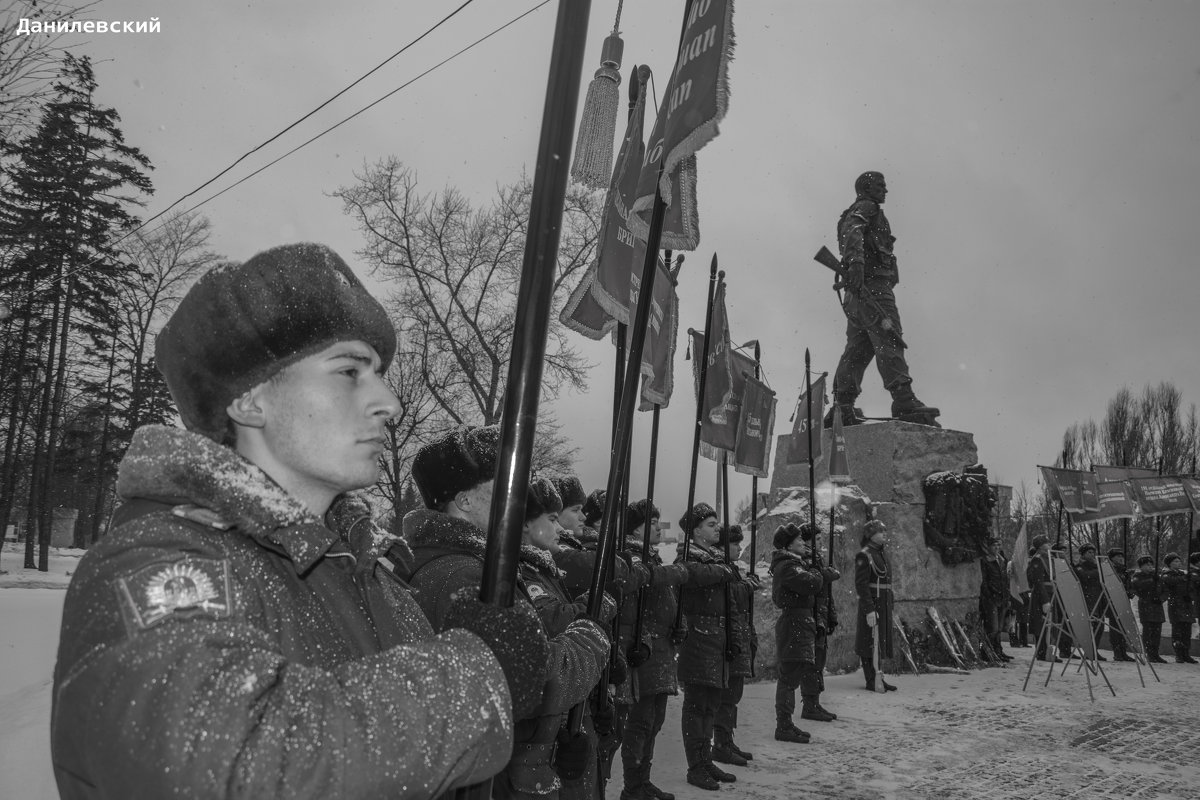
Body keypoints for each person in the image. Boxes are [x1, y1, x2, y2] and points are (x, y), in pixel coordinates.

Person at [50, 243, 540, 799]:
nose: (389, 402)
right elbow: (213, 768)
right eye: (351, 370)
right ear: (250, 401)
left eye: (378, 373)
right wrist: (476, 677)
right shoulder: (161, 558)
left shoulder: (372, 576)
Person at [406, 425, 612, 799]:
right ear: (465, 500)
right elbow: (537, 679)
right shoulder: (465, 574)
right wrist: (589, 636)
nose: (519, 499)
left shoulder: (465, 563)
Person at [827, 171, 939, 428]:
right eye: (880, 186)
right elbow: (853, 231)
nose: (885, 190)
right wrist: (856, 263)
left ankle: (843, 405)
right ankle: (903, 399)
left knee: (858, 348)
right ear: (867, 188)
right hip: (872, 289)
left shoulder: (858, 210)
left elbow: (854, 233)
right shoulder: (866, 208)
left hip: (858, 294)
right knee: (889, 338)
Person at [675, 503, 742, 791]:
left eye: (717, 524)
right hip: (699, 637)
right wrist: (724, 570)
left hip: (717, 637)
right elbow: (697, 575)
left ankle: (705, 759)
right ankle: (695, 765)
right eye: (711, 524)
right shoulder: (687, 555)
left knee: (711, 703)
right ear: (696, 530)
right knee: (696, 705)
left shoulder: (716, 559)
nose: (718, 529)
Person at [770, 522, 835, 744]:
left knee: (794, 674)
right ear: (788, 544)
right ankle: (784, 725)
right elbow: (811, 583)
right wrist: (820, 572)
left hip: (800, 621)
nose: (802, 543)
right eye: (798, 540)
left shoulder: (792, 563)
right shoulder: (788, 566)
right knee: (789, 677)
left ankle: (787, 723)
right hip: (794, 622)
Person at [712, 524, 761, 766]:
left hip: (739, 636)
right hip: (730, 638)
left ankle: (727, 740)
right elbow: (731, 597)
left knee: (734, 694)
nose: (740, 548)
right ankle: (720, 744)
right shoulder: (722, 571)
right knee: (726, 696)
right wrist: (747, 586)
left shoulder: (731, 569)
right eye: (735, 544)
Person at [855, 519, 897, 690]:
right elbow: (861, 585)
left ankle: (879, 676)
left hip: (883, 603)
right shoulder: (865, 555)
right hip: (873, 604)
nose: (884, 534)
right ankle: (871, 679)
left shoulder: (881, 553)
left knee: (880, 641)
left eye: (885, 531)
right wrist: (869, 609)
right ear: (871, 535)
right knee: (869, 642)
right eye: (881, 531)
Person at [978, 537, 1012, 661]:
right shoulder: (985, 560)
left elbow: (1006, 580)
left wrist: (1007, 596)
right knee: (992, 628)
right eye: (994, 545)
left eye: (999, 545)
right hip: (991, 599)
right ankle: (989, 652)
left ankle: (998, 651)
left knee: (999, 629)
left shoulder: (1003, 560)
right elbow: (984, 581)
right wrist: (989, 595)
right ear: (988, 547)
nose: (997, 547)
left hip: (1002, 597)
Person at [1129, 555, 1167, 663]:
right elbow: (1139, 586)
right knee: (1148, 632)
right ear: (1141, 566)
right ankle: (1149, 653)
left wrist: (1160, 599)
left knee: (1157, 632)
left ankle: (1155, 653)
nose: (1150, 567)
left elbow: (1165, 590)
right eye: (1147, 565)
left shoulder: (1157, 577)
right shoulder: (1137, 576)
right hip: (1146, 606)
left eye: (1151, 564)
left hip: (1157, 607)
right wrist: (1151, 581)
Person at [1160, 553, 1197, 664]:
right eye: (1175, 561)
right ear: (1169, 564)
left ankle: (1186, 653)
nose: (1178, 563)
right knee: (1178, 631)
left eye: (1179, 561)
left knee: (1187, 631)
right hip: (1175, 604)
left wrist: (1190, 596)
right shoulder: (1167, 574)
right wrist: (1185, 577)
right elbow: (1171, 581)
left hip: (1186, 605)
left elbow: (1192, 587)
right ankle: (1178, 654)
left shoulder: (1184, 574)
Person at [1073, 544, 1107, 661]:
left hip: (1099, 599)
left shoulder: (1097, 566)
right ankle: (1088, 650)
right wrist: (1098, 571)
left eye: (1093, 552)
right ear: (1083, 554)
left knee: (1099, 626)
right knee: (1090, 626)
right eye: (1089, 553)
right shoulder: (1079, 566)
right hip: (1087, 599)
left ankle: (1094, 650)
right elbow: (1085, 576)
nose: (1092, 555)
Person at [1026, 535, 1058, 662]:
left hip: (1051, 593)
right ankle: (1041, 651)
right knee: (1041, 625)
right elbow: (1038, 582)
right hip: (1041, 595)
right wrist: (1045, 600)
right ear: (1040, 546)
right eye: (1046, 543)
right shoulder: (1038, 559)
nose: (1049, 545)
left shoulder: (1049, 557)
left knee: (1049, 625)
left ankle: (1047, 650)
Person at [1105, 548, 1135, 662]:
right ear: (1112, 558)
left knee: (1124, 627)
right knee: (1116, 628)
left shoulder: (1124, 571)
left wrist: (1129, 592)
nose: (1121, 558)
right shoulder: (1110, 570)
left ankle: (1123, 650)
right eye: (1117, 556)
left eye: (1121, 556)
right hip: (1114, 601)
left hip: (1124, 601)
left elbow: (1129, 585)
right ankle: (1117, 651)